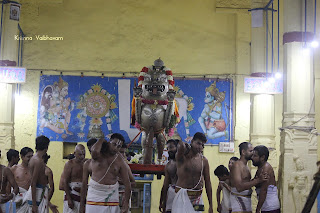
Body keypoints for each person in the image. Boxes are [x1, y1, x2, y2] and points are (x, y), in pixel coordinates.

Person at [80, 133, 131, 213]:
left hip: (111, 196)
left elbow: (128, 184)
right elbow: (94, 151)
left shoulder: (120, 161)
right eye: (114, 144)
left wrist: (126, 204)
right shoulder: (96, 157)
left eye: (119, 146)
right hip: (94, 194)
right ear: (109, 142)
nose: (115, 148)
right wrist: (101, 140)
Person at [172, 132, 213, 213]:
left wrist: (211, 204)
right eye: (198, 143)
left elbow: (208, 182)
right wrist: (185, 145)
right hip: (182, 196)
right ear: (192, 141)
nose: (200, 147)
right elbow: (180, 145)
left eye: (202, 145)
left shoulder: (204, 160)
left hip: (198, 198)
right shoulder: (181, 157)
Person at [230, 142, 268, 213]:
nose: (253, 153)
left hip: (246, 200)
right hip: (238, 201)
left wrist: (257, 179)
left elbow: (247, 183)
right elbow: (239, 187)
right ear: (243, 152)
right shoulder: (237, 165)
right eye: (250, 151)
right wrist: (257, 181)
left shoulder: (246, 166)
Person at [25, 135, 50, 213]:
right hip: (37, 194)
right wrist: (34, 205)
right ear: (46, 147)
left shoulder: (38, 159)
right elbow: (33, 182)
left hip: (40, 193)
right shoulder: (37, 161)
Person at [251, 145, 280, 213]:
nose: (252, 158)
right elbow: (254, 181)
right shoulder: (260, 168)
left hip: (270, 208)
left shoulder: (265, 169)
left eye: (255, 156)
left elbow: (263, 191)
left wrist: (258, 209)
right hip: (267, 207)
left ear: (262, 157)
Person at [62, 144, 86, 213]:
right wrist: (69, 199)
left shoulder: (86, 163)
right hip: (71, 194)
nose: (82, 157)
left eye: (83, 154)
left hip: (82, 194)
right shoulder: (69, 164)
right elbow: (65, 182)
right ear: (75, 153)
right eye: (80, 154)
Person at [10, 147, 34, 212]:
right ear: (22, 157)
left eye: (32, 156)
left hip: (30, 200)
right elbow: (8, 185)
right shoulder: (14, 168)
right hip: (17, 199)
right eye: (28, 156)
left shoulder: (34, 170)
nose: (31, 159)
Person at [159, 139, 178, 213]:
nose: (169, 150)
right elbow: (165, 185)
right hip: (171, 194)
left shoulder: (184, 162)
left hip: (183, 195)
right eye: (168, 148)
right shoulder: (168, 165)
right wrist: (162, 201)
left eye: (171, 147)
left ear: (177, 147)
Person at [118, 143, 135, 213]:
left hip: (124, 197)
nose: (123, 155)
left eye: (124, 152)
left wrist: (125, 182)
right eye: (121, 152)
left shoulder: (125, 166)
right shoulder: (109, 165)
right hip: (111, 198)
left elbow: (133, 183)